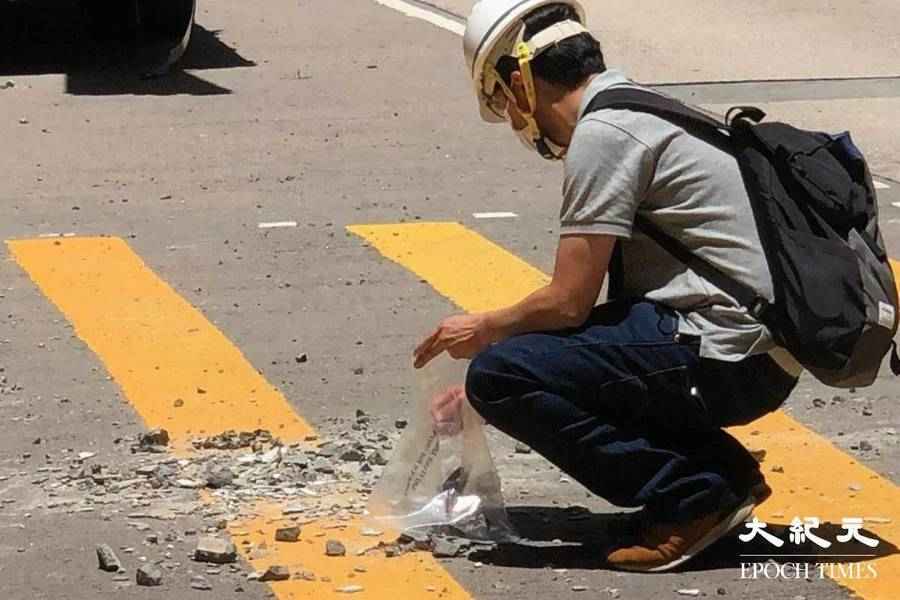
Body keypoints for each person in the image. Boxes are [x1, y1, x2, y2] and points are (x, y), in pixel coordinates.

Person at [413, 0, 802, 572]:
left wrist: (487, 331)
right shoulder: (641, 108)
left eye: (503, 101)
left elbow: (569, 303)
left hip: (730, 358)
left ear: (519, 83)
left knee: (500, 376)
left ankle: (696, 495)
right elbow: (599, 319)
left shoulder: (604, 134)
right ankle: (723, 477)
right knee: (538, 360)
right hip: (750, 347)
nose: (518, 123)